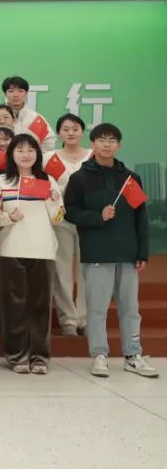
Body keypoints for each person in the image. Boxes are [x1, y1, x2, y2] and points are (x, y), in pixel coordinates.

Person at [64, 123, 158, 378]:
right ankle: (99, 355)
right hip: (97, 253)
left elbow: (141, 217)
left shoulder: (130, 178)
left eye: (112, 140)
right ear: (92, 144)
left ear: (119, 145)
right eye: (101, 140)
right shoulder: (79, 178)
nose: (106, 144)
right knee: (96, 309)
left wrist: (142, 252)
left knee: (130, 309)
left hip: (127, 253)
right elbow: (71, 212)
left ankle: (133, 355)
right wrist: (98, 216)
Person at [0, 133, 62, 374]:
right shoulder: (0, 182)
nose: (25, 154)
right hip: (10, 249)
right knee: (13, 306)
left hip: (42, 249)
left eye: (30, 150)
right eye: (20, 150)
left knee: (40, 306)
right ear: (11, 154)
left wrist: (54, 201)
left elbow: (58, 219)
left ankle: (40, 357)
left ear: (37, 154)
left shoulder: (48, 181)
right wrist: (8, 218)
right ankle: (17, 355)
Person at [44, 114, 91, 336]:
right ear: (59, 133)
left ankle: (84, 318)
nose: (71, 133)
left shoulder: (93, 156)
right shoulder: (48, 158)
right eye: (66, 129)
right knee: (61, 270)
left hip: (88, 221)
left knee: (87, 270)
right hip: (60, 220)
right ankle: (68, 320)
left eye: (75, 129)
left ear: (82, 132)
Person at [0, 76, 57, 151]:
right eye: (11, 91)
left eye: (20, 91)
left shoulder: (35, 119)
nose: (16, 95)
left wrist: (36, 156)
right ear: (5, 94)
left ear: (26, 93)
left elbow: (49, 141)